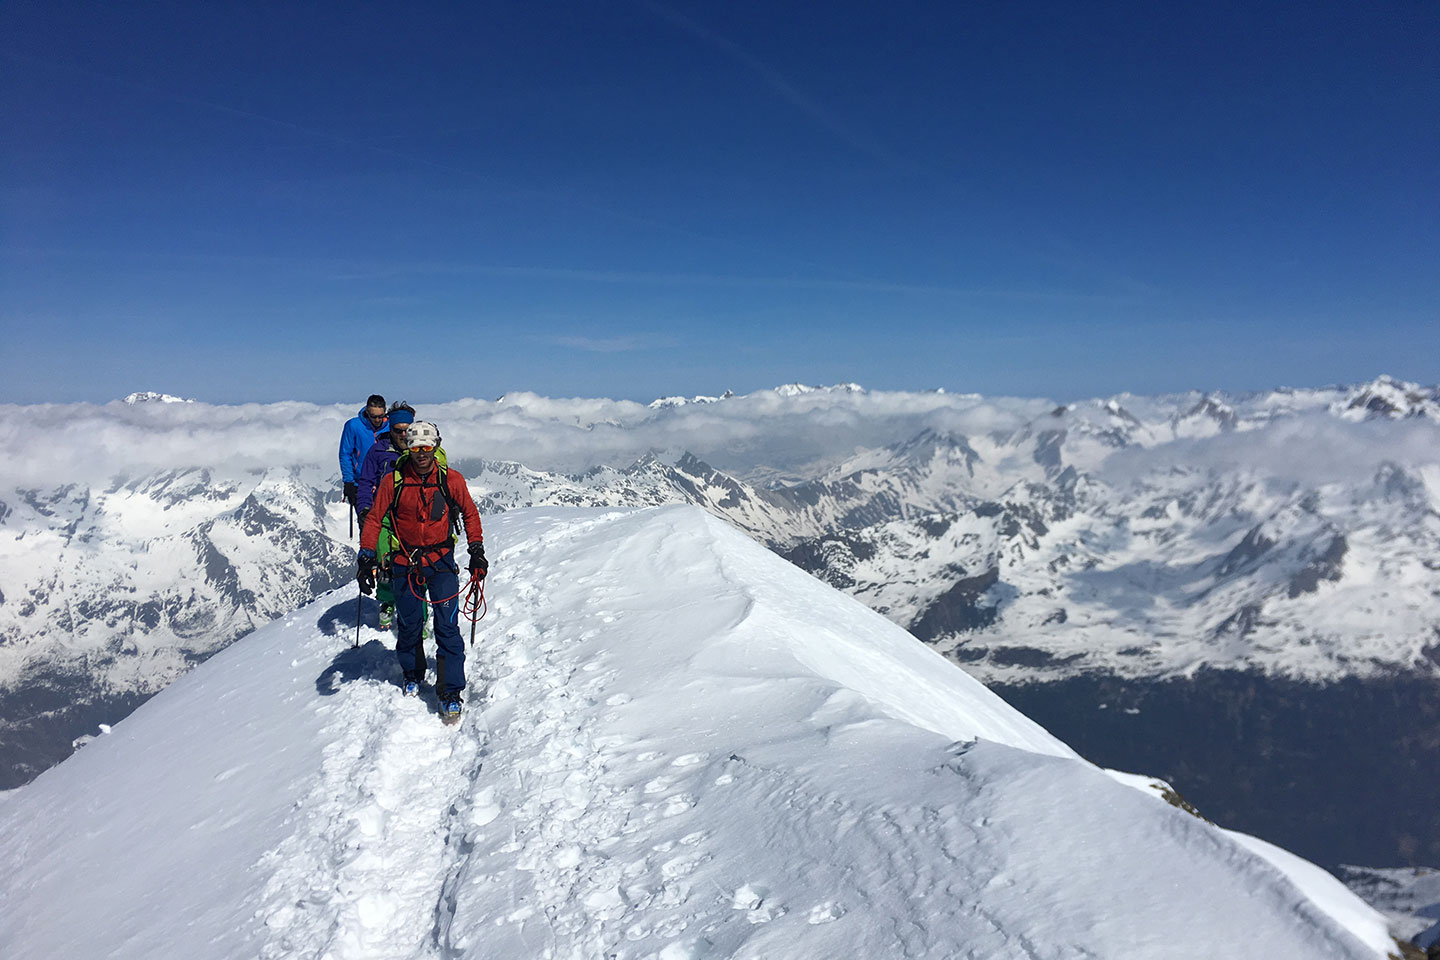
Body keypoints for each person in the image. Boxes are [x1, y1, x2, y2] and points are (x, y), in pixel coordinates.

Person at [357, 421, 487, 724]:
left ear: (436, 446)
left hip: (440, 562)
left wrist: (476, 549)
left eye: (427, 448)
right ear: (409, 448)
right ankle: (413, 672)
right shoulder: (394, 481)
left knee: (447, 626)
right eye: (416, 448)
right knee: (411, 623)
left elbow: (469, 512)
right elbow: (376, 519)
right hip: (406, 562)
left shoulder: (450, 480)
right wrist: (366, 556)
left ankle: (450, 691)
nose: (422, 454)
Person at [339, 394, 388, 516]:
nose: (377, 420)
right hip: (360, 484)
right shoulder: (353, 426)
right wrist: (348, 481)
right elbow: (345, 454)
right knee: (366, 524)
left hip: (385, 484)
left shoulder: (391, 427)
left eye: (380, 416)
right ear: (367, 411)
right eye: (373, 416)